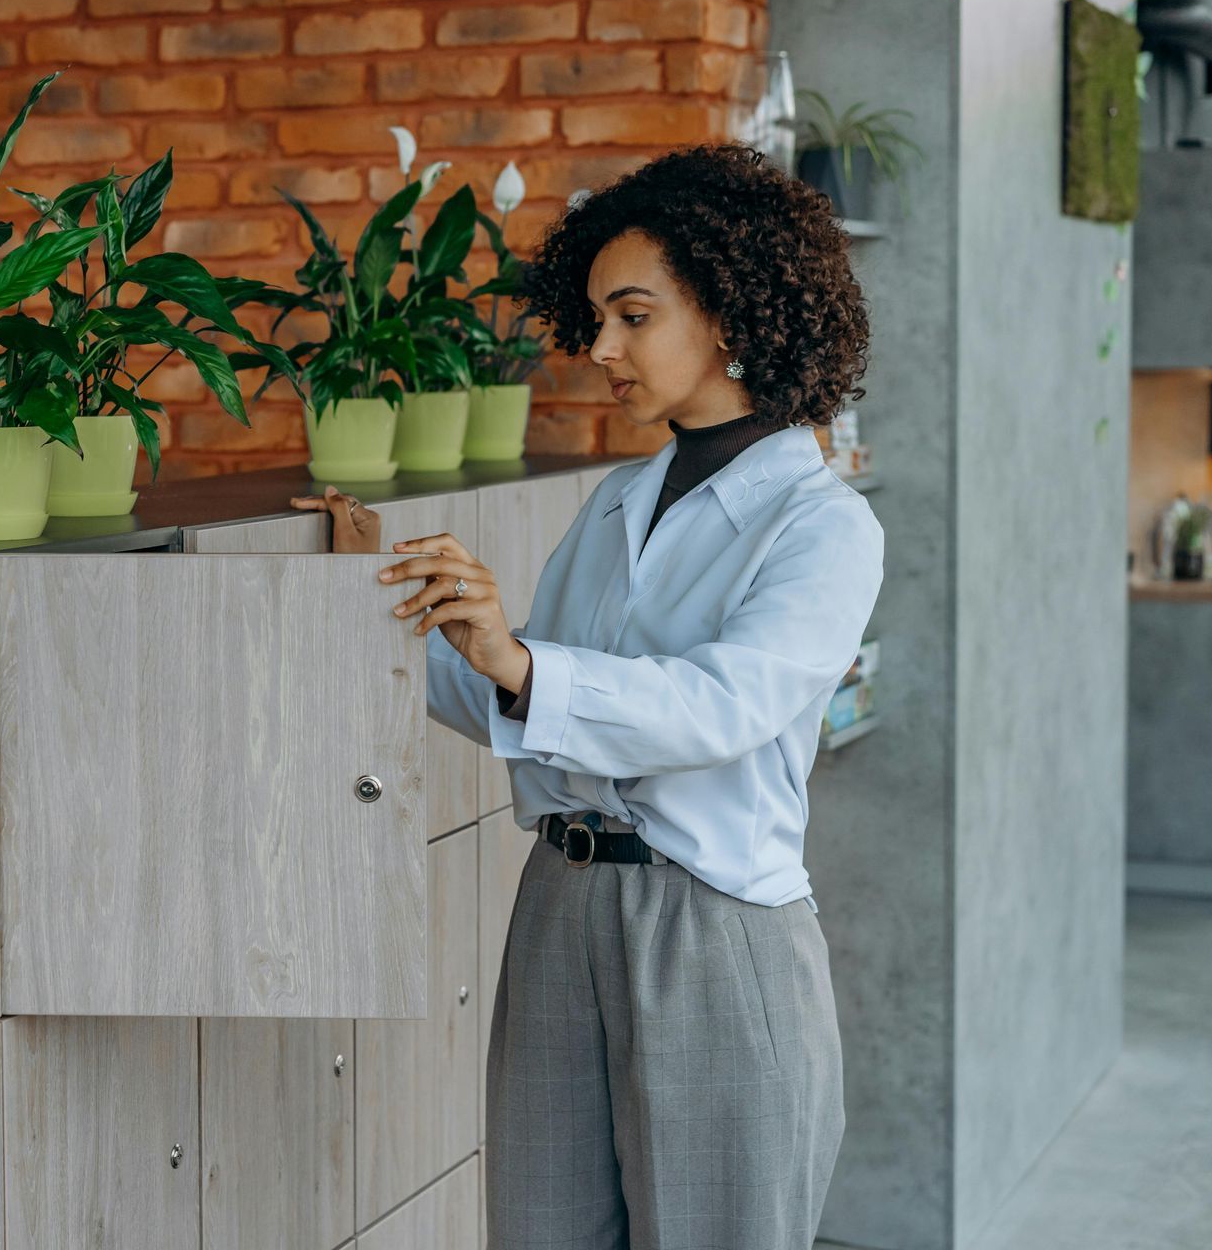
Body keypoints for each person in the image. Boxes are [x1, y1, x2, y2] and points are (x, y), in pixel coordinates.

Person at [292, 142, 882, 1249]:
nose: (600, 345)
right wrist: (364, 607)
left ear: (730, 310)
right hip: (559, 909)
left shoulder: (823, 524)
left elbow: (717, 707)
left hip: (713, 927)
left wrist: (517, 660)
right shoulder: (622, 498)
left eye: (632, 314)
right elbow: (523, 705)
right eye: (598, 315)